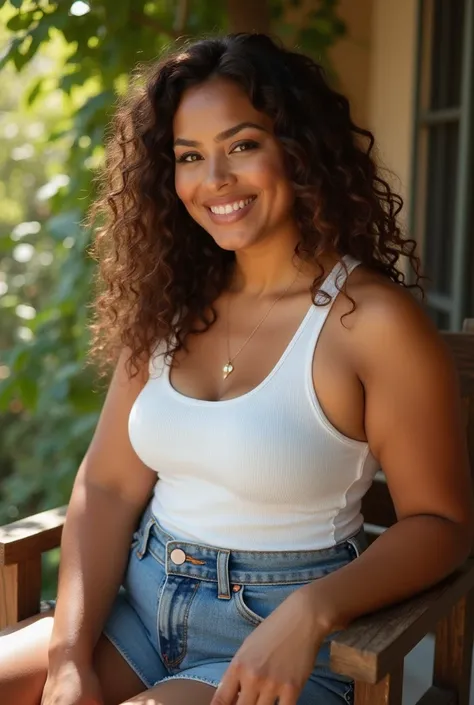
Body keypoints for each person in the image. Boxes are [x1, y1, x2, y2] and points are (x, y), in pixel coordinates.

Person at [0, 31, 472, 705]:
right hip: (136, 607)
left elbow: (441, 523)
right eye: (190, 156)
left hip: (279, 635)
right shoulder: (172, 301)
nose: (214, 180)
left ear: (299, 149)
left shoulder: (369, 322)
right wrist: (69, 655)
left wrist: (312, 611)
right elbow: (105, 486)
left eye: (242, 145)